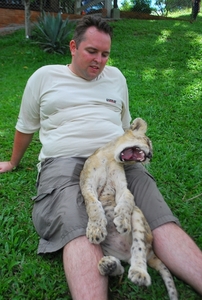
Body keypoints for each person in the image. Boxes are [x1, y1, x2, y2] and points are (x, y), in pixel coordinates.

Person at [0, 15, 202, 300]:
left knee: (158, 218)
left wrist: (134, 151)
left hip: (117, 160)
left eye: (105, 54)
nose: (99, 60)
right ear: (73, 47)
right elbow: (25, 126)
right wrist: (12, 162)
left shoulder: (116, 77)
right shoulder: (44, 77)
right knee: (76, 223)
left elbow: (124, 126)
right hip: (64, 162)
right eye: (91, 51)